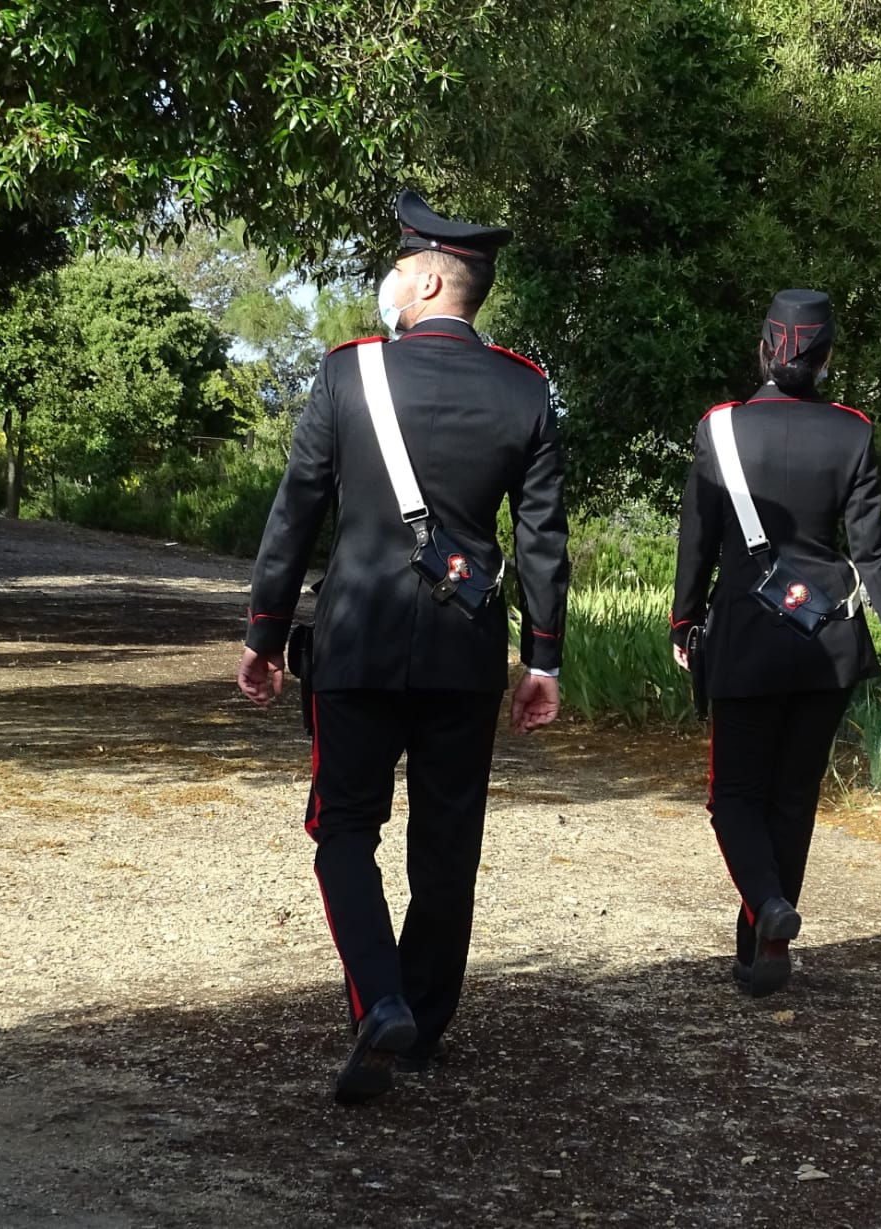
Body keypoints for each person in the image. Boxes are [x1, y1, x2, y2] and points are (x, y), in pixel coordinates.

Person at [237, 190, 569, 1103]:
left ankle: (378, 999)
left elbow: (296, 512)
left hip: (356, 645)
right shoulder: (526, 388)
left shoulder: (349, 373)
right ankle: (419, 1023)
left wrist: (265, 633)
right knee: (448, 843)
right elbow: (542, 539)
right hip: (466, 652)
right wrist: (544, 659)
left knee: (344, 828)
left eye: (396, 267)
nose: (389, 281)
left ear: (426, 280)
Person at [670, 288, 881, 998]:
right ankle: (766, 950)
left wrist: (683, 620)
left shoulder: (720, 428)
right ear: (827, 359)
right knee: (792, 797)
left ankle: (769, 905)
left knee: (734, 798)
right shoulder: (852, 432)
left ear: (763, 348)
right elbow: (873, 548)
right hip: (828, 641)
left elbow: (697, 537)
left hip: (746, 637)